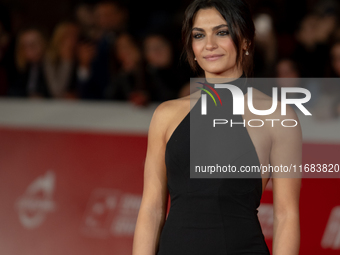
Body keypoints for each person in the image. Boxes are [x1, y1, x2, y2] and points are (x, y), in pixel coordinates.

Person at [133, 0, 301, 254]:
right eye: (199, 35)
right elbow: (151, 208)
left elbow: (286, 214)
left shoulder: (277, 116)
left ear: (245, 40)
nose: (209, 44)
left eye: (221, 32)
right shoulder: (166, 115)